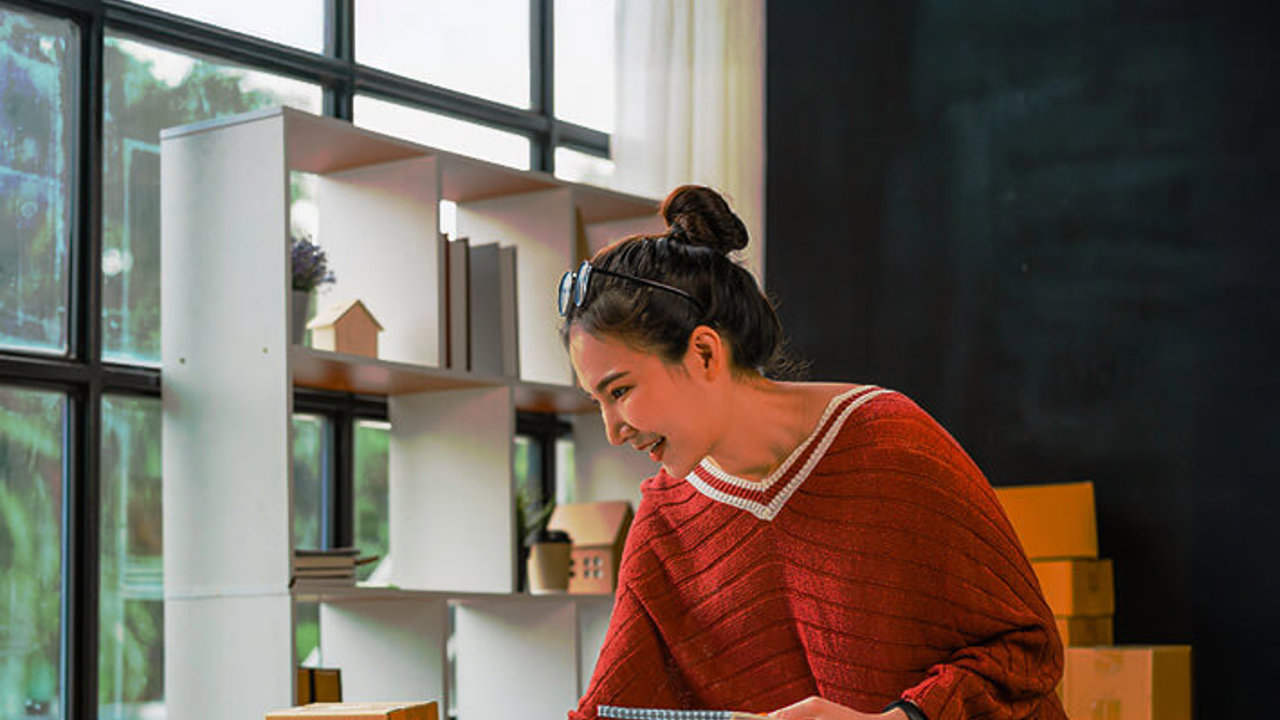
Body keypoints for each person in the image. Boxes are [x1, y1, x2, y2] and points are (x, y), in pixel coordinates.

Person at [558, 185, 1067, 720]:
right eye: (597, 402)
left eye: (620, 392)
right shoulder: (665, 522)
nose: (613, 431)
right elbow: (606, 712)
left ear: (704, 352)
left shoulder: (892, 445)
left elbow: (1026, 653)